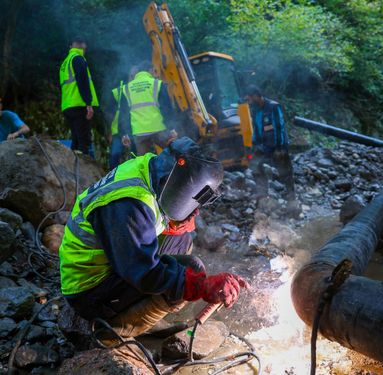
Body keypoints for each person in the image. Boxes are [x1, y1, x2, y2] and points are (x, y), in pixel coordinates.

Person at [59, 137, 248, 339]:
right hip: (89, 288)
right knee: (190, 269)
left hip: (113, 259)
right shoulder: (129, 202)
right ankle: (114, 332)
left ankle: (147, 312)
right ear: (176, 182)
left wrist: (178, 220)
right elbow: (145, 272)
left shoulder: (152, 168)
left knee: (182, 240)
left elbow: (151, 217)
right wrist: (201, 286)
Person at [244, 85, 295, 200]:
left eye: (250, 99)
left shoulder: (273, 107)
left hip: (278, 144)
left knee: (284, 169)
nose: (249, 102)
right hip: (264, 146)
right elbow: (257, 128)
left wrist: (280, 147)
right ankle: (262, 192)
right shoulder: (256, 110)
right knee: (255, 164)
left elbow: (279, 128)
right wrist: (254, 144)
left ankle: (291, 194)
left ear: (257, 96)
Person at [119, 61, 177, 155]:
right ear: (150, 70)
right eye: (154, 71)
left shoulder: (126, 89)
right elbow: (166, 108)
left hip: (139, 132)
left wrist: (125, 134)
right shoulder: (157, 84)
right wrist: (172, 129)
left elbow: (123, 114)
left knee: (143, 162)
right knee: (173, 154)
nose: (155, 74)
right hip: (159, 129)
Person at [60, 37, 99, 157]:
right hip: (79, 104)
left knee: (76, 140)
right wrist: (88, 103)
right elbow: (82, 81)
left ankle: (72, 169)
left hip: (68, 105)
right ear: (82, 45)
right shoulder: (78, 58)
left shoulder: (65, 62)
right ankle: (82, 171)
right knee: (84, 141)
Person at [107, 79, 129, 170]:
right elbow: (109, 113)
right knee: (115, 155)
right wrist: (109, 131)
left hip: (133, 129)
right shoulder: (117, 92)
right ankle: (113, 177)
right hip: (118, 131)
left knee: (134, 155)